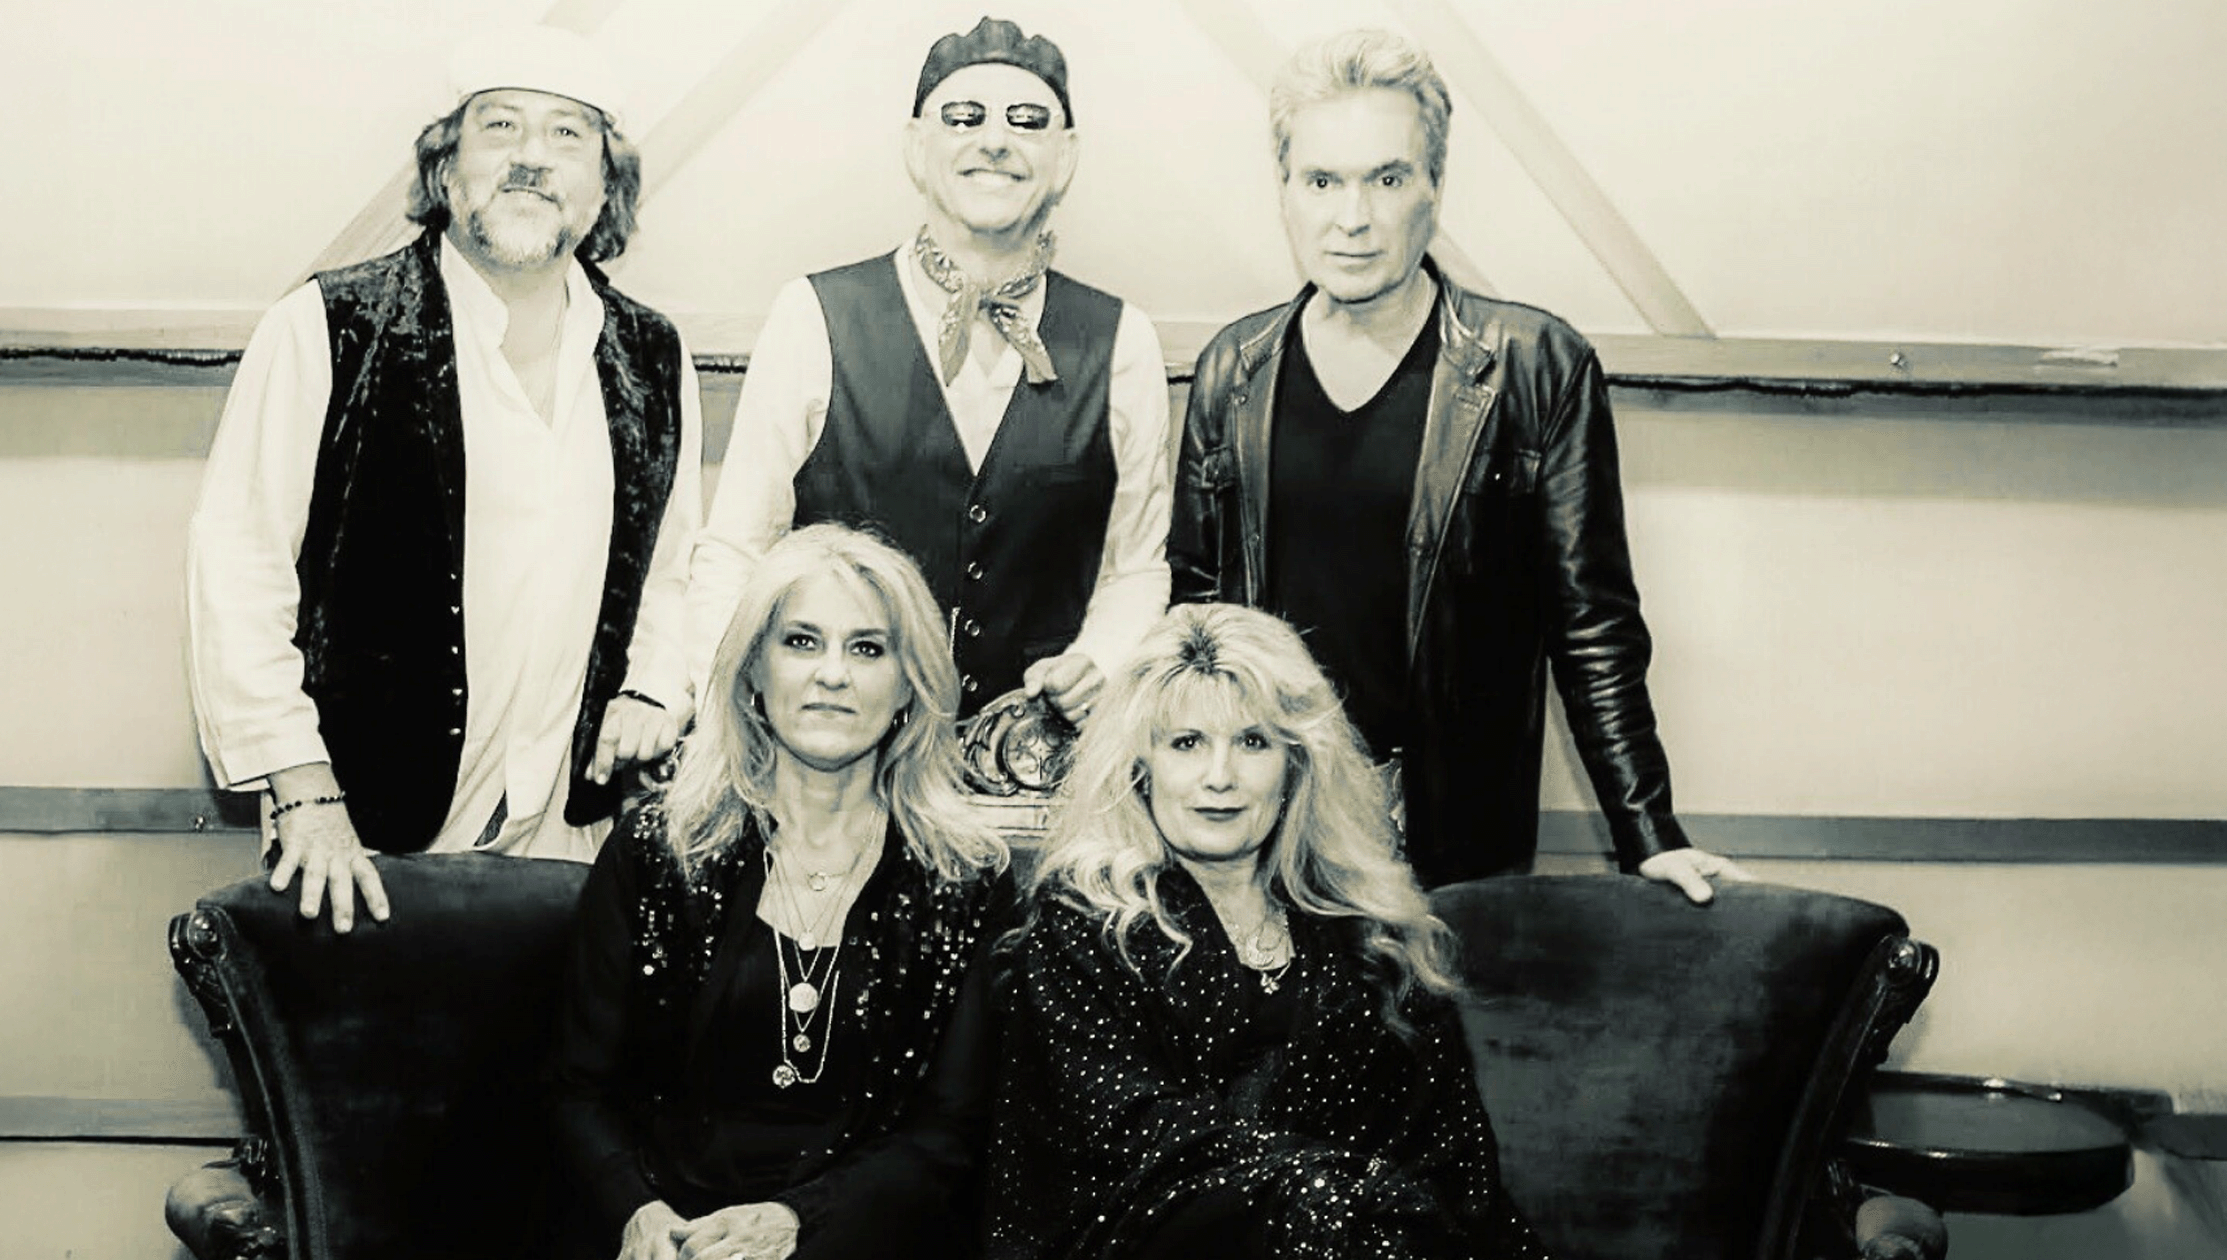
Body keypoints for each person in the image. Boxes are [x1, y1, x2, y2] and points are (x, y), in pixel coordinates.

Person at [966, 604, 1789, 1260]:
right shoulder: (1084, 927)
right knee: (1318, 1219)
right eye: (1186, 743)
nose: (1220, 777)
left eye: (1253, 743)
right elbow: (1135, 1136)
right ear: (1139, 765)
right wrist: (1334, 1192)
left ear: (1297, 763)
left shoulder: (1368, 927)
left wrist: (1381, 1229)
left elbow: (1451, 1153)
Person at [1169, 29, 1749, 900]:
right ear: (1283, 188)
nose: (1352, 217)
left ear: (1434, 187)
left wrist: (1649, 837)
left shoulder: (1534, 366)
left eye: (1387, 179)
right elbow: (1190, 616)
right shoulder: (1233, 370)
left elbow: (1591, 626)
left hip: (1450, 846)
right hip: (1260, 832)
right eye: (1322, 181)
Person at [186, 30, 702, 931]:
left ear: (605, 185)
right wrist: (304, 792)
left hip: (572, 843)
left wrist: (656, 686)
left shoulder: (654, 354)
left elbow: (671, 567)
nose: (531, 156)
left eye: (567, 133)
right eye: (500, 126)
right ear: (446, 167)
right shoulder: (326, 325)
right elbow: (239, 564)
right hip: (358, 843)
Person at [549, 524, 1014, 1260]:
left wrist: (797, 1219)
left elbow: (948, 1135)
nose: (832, 674)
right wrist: (638, 1218)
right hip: (668, 1255)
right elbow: (576, 1089)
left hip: (862, 1245)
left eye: (868, 649)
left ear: (910, 686)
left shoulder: (964, 878)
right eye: (802, 642)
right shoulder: (658, 851)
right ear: (753, 675)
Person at [687, 15, 1171, 729]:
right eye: (964, 117)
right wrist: (730, 715)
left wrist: (1099, 660)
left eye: (1027, 121)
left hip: (1036, 758)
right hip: (842, 757)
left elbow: (1137, 566)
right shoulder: (813, 316)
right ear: (917, 147)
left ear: (1065, 158)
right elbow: (735, 550)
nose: (995, 140)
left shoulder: (1124, 339)